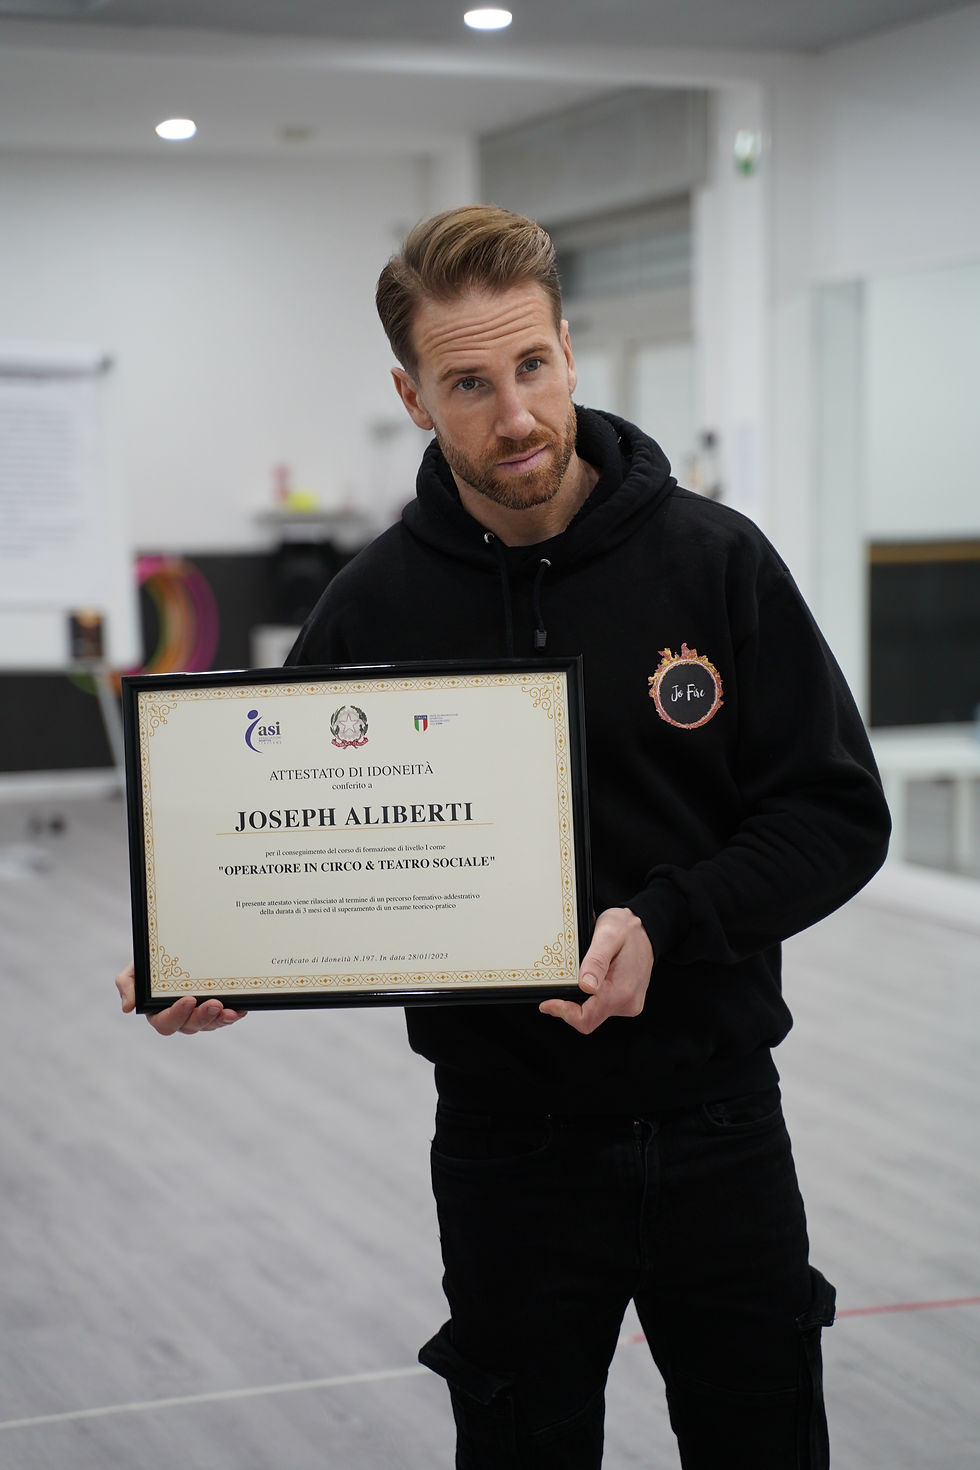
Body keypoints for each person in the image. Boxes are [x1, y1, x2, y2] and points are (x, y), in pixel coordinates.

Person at [117, 204, 891, 1467]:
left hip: (717, 1125)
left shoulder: (716, 564)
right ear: (412, 396)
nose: (514, 414)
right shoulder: (374, 604)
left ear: (570, 351)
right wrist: (209, 954)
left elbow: (834, 813)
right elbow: (270, 830)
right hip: (504, 1150)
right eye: (467, 383)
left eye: (530, 366)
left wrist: (669, 921)